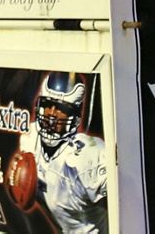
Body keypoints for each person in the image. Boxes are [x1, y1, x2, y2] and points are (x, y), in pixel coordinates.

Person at [15, 72, 107, 233]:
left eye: (61, 109)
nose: (51, 116)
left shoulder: (88, 157)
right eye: (48, 105)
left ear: (75, 117)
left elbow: (126, 204)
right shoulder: (30, 140)